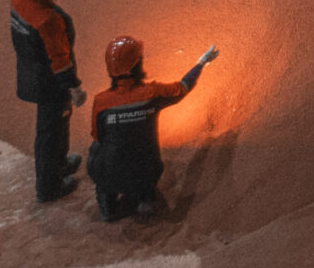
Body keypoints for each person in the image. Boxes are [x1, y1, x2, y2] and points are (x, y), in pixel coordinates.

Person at [87, 36, 218, 221]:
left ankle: (108, 200)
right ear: (137, 65)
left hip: (111, 174)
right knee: (142, 158)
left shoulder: (101, 101)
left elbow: (98, 136)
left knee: (96, 147)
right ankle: (144, 199)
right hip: (147, 172)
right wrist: (201, 63)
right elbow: (183, 87)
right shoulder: (152, 93)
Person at [8, 0, 85, 202]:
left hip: (30, 74)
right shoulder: (51, 20)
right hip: (51, 84)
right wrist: (74, 88)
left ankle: (60, 165)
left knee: (55, 129)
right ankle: (49, 187)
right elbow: (60, 60)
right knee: (50, 134)